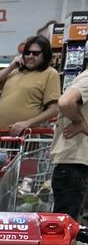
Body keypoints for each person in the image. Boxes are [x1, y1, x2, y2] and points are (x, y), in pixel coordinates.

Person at [0, 35, 61, 134]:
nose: (30, 56)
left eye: (35, 53)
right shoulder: (14, 72)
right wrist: (10, 67)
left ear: (45, 55)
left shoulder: (50, 73)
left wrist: (27, 123)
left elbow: (54, 109)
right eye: (27, 52)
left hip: (25, 139)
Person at [50, 67, 88, 222]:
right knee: (64, 228)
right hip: (74, 165)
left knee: (67, 227)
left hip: (75, 164)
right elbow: (66, 102)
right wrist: (79, 123)